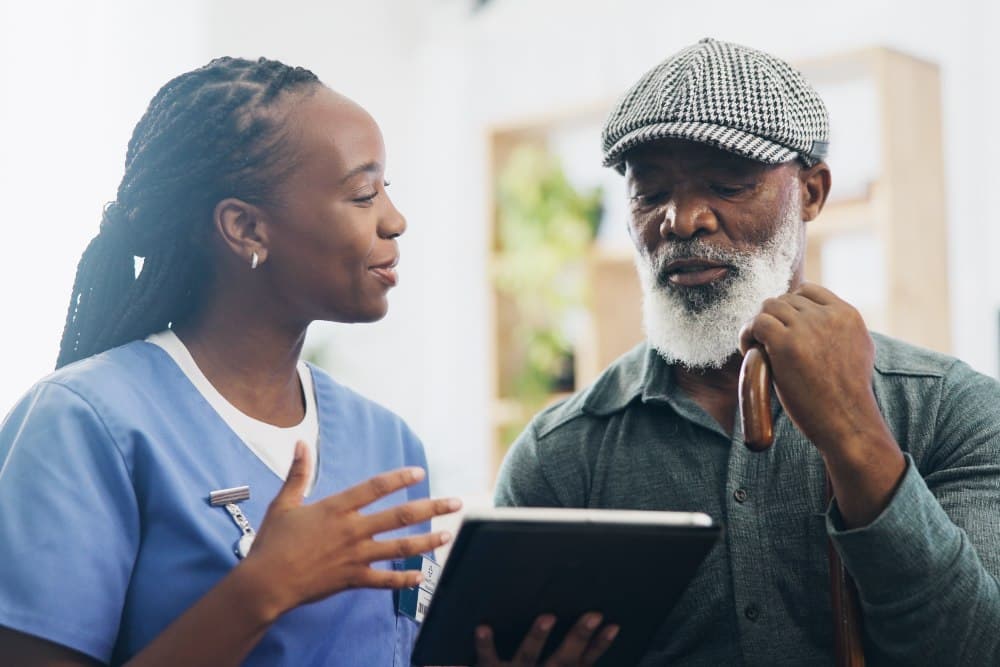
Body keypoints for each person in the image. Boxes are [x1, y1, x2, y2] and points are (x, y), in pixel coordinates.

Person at [0, 57, 613, 667]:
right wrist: (259, 592)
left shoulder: (387, 443)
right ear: (245, 227)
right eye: (363, 194)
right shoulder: (84, 423)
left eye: (387, 191)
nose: (394, 221)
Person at [495, 38, 1000, 665]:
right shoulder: (561, 453)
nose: (681, 220)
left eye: (727, 184)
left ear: (812, 193)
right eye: (649, 194)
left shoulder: (953, 411)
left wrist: (853, 431)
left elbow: (976, 650)